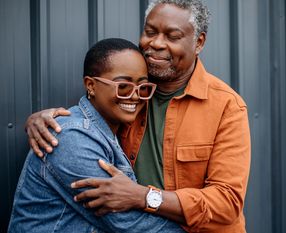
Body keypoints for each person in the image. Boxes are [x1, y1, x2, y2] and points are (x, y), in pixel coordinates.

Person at [25, 0, 251, 232]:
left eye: (172, 36)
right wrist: (45, 119)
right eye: (150, 32)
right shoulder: (132, 93)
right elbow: (89, 118)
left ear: (199, 42)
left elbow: (227, 202)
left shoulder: (226, 106)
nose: (156, 43)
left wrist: (145, 196)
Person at [9, 38, 184, 233]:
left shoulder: (114, 129)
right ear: (91, 85)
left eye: (142, 87)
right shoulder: (70, 137)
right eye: (123, 86)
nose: (135, 96)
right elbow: (127, 222)